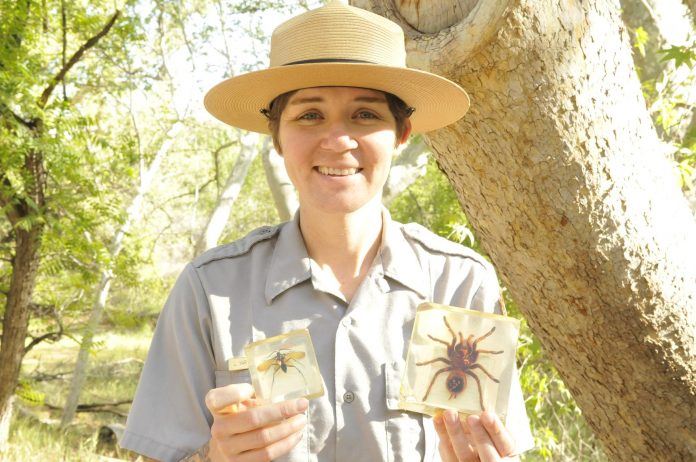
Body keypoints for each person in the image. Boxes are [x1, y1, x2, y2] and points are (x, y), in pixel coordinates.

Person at [120, 2, 535, 461]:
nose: (338, 140)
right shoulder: (209, 291)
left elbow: (500, 448)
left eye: (365, 115)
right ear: (276, 136)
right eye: (310, 116)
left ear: (401, 133)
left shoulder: (460, 284)